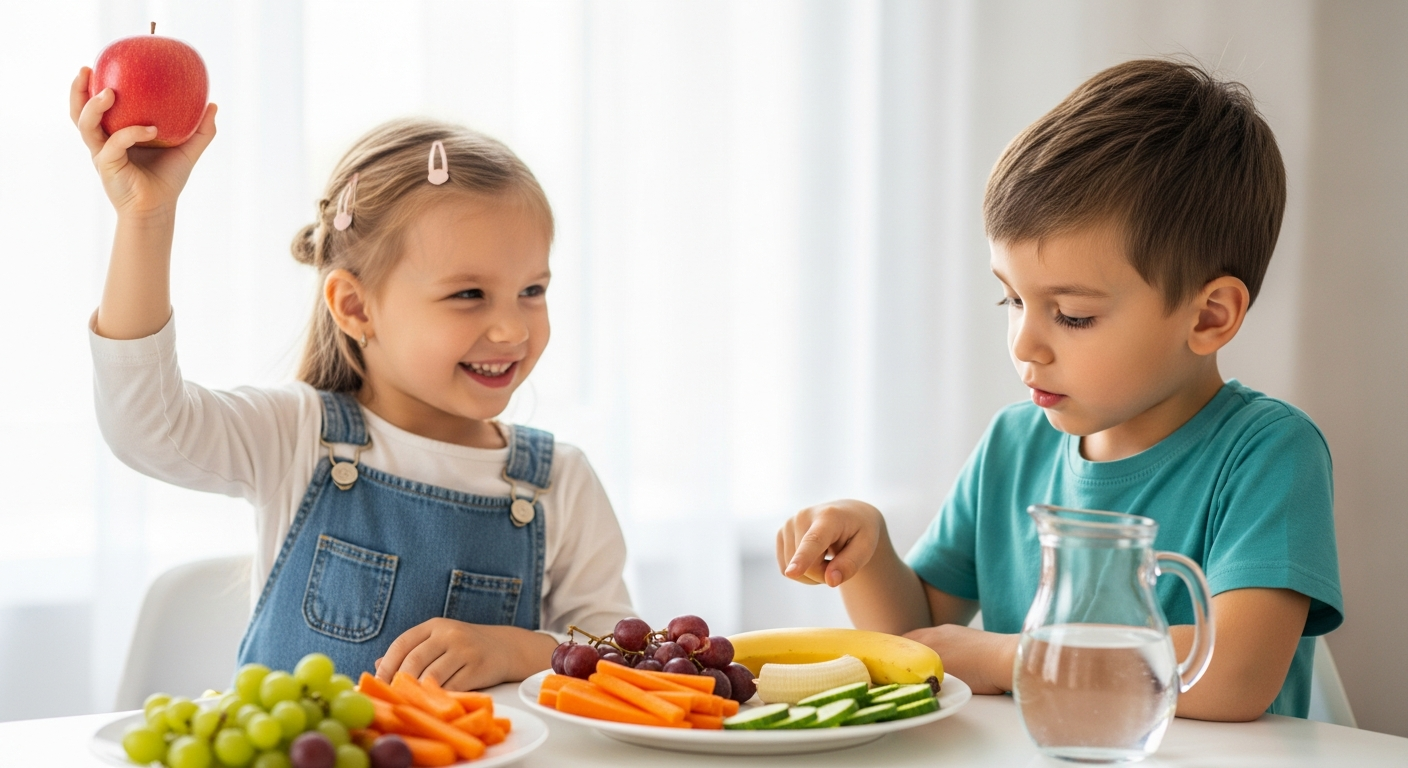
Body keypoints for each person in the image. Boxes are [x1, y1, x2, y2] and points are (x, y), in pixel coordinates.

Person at [776, 59, 1342, 721]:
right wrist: (870, 553)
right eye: (1012, 299)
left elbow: (1233, 674)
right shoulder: (1012, 445)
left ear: (1208, 316)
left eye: (1072, 315)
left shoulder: (1269, 454)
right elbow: (919, 644)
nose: (1024, 344)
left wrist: (1006, 659)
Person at [70, 68, 633, 689]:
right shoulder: (297, 435)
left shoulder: (561, 483)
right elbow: (144, 425)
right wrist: (146, 218)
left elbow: (622, 656)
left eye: (532, 290)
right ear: (356, 307)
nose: (511, 329)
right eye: (469, 294)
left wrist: (518, 650)